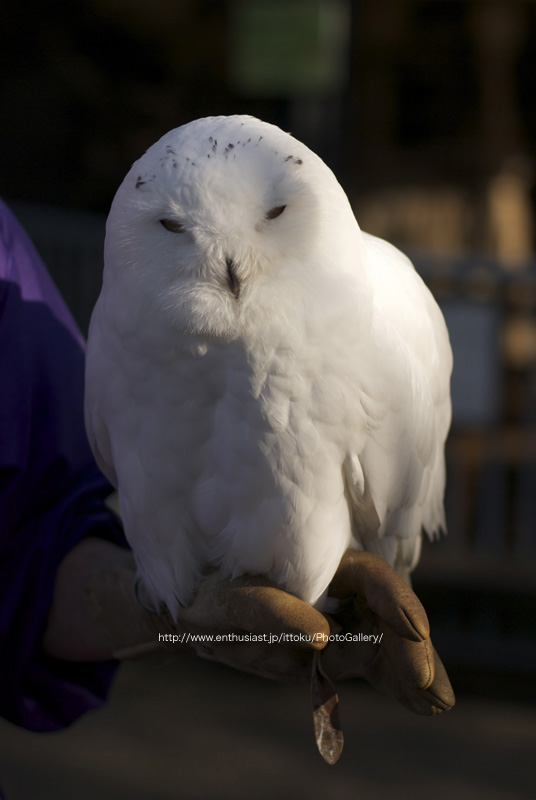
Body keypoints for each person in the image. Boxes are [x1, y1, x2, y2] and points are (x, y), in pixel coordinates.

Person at [0, 198, 454, 788]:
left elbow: (28, 556)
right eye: (171, 227)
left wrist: (167, 614)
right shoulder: (122, 324)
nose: (232, 264)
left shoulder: (382, 299)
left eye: (275, 212)